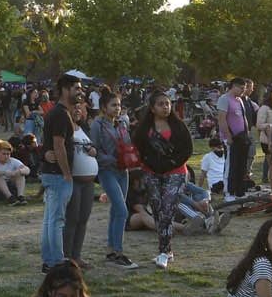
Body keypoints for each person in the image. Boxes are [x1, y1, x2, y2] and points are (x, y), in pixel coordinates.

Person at [131, 91, 194, 270]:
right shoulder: (144, 130)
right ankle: (167, 248)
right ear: (152, 108)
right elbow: (138, 149)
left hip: (176, 171)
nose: (165, 107)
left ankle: (163, 252)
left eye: (167, 104)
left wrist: (172, 162)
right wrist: (150, 163)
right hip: (151, 172)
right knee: (158, 211)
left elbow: (187, 149)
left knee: (168, 208)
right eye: (161, 104)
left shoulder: (179, 126)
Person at [38, 74, 81, 273]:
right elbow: (58, 145)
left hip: (52, 173)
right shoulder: (60, 114)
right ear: (65, 89)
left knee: (50, 219)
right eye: (76, 88)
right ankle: (55, 261)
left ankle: (50, 259)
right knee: (56, 219)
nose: (80, 92)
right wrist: (67, 173)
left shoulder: (58, 113)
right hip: (57, 175)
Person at [90, 90, 136, 269]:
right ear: (103, 107)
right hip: (106, 170)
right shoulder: (97, 125)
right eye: (113, 105)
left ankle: (111, 250)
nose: (117, 108)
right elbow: (94, 149)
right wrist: (111, 159)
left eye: (119, 105)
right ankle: (118, 251)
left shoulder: (122, 122)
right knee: (122, 210)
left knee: (116, 211)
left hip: (123, 170)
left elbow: (127, 143)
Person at [63, 103, 99, 271]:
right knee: (72, 218)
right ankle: (67, 256)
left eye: (80, 108)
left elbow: (93, 146)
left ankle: (77, 255)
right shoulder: (65, 129)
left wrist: (93, 150)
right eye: (74, 107)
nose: (77, 110)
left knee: (83, 219)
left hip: (89, 182)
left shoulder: (83, 128)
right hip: (74, 179)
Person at [216, 78, 251, 198]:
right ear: (234, 86)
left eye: (244, 88)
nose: (243, 90)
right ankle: (229, 192)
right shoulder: (224, 99)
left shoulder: (239, 100)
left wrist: (247, 133)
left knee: (241, 165)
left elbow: (243, 117)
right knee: (231, 165)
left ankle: (239, 190)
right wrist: (228, 136)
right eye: (241, 88)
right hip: (231, 138)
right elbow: (222, 119)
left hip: (242, 138)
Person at [0, 140, 29, 204]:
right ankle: (10, 198)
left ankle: (20, 196)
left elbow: (27, 170)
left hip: (10, 188)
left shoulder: (13, 161)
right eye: (4, 154)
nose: (6, 156)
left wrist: (18, 171)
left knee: (20, 174)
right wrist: (4, 172)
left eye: (8, 154)